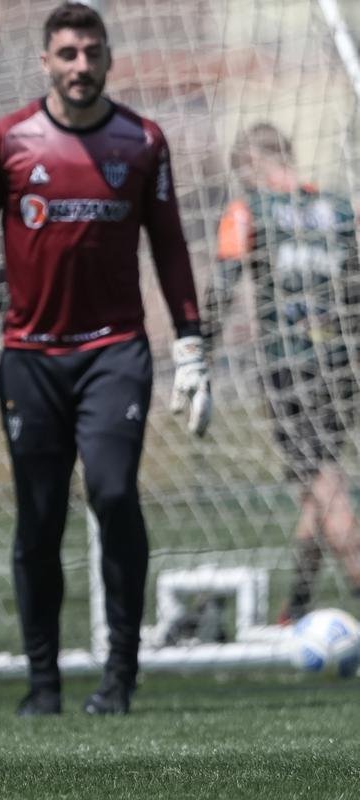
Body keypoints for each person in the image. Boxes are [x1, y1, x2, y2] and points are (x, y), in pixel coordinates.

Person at [0, 2, 210, 717]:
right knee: (39, 518)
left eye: (91, 51)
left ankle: (118, 677)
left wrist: (189, 341)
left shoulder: (142, 140)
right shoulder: (7, 139)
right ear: (44, 62)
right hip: (29, 356)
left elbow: (170, 244)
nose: (80, 65)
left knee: (113, 494)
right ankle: (43, 684)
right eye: (66, 54)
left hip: (114, 351)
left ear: (108, 57)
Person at [205, 122, 360, 624]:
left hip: (288, 370)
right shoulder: (342, 211)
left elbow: (222, 289)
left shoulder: (247, 210)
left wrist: (198, 354)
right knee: (316, 488)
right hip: (342, 370)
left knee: (325, 487)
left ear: (250, 165)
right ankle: (296, 605)